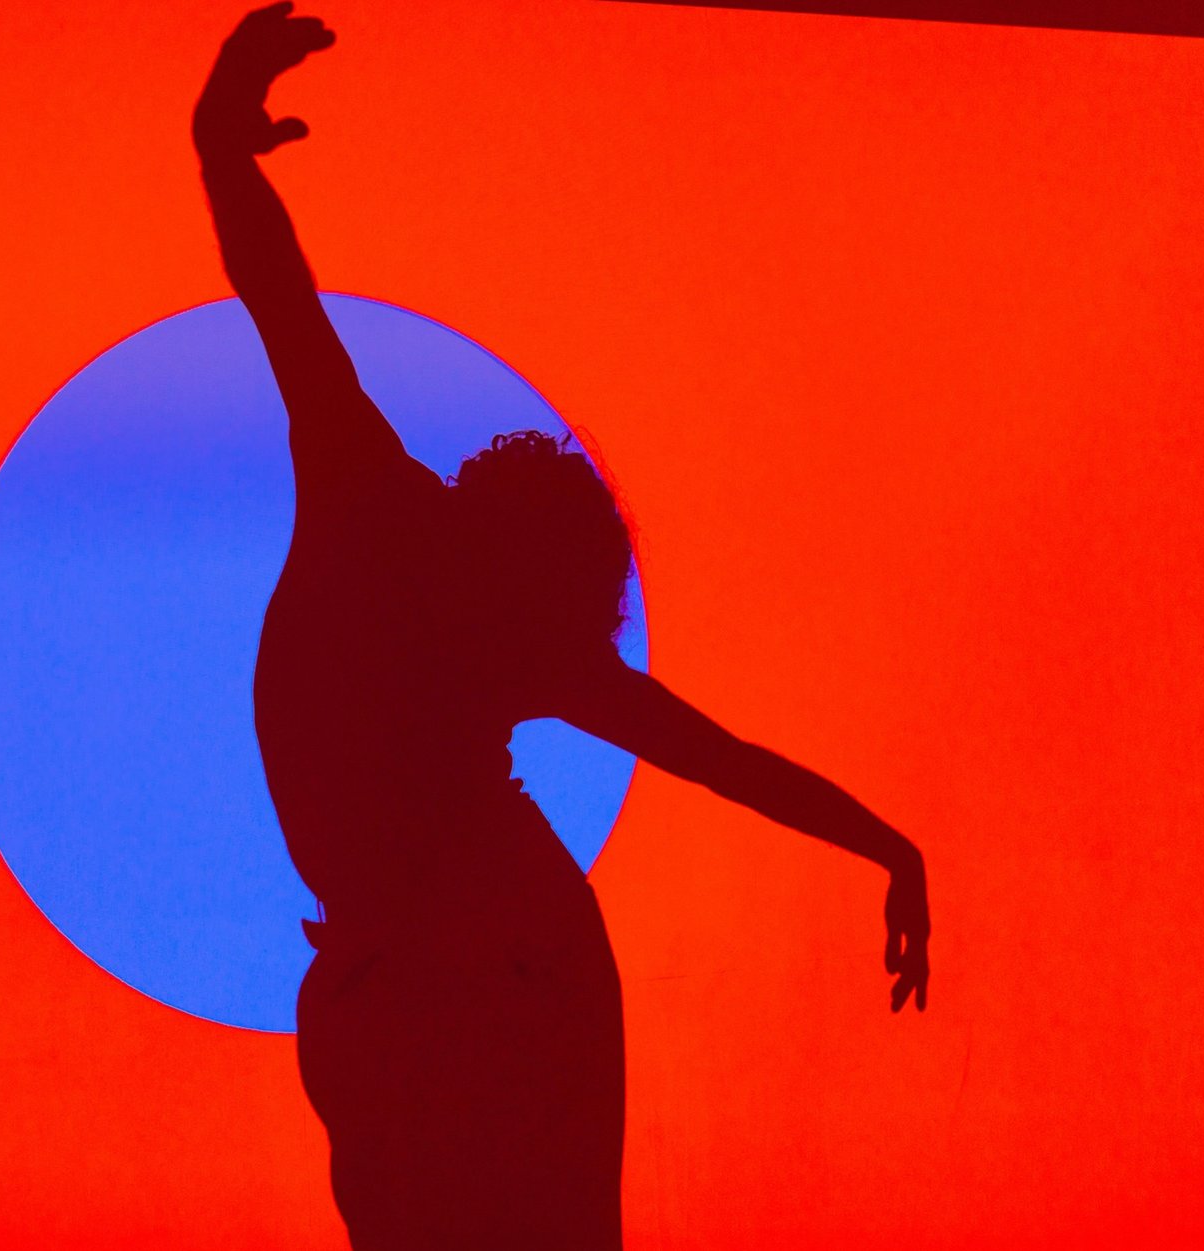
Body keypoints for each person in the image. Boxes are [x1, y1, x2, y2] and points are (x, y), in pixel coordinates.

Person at [193, 7, 930, 1248]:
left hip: (461, 967)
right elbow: (726, 760)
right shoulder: (416, 531)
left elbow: (723, 759)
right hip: (425, 966)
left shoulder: (405, 522)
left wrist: (219, 144)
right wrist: (891, 851)